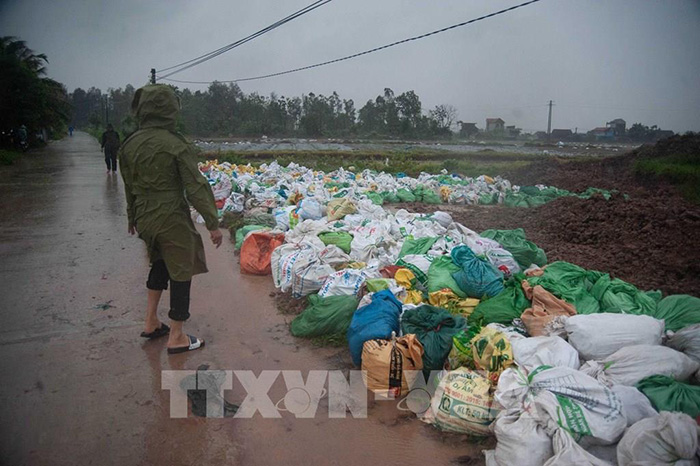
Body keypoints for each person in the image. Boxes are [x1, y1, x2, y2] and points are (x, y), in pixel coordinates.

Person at [118, 84, 222, 354]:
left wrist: (132, 216)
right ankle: (177, 336)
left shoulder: (129, 144)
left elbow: (129, 185)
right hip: (171, 215)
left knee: (160, 262)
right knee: (181, 269)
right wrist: (213, 223)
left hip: (145, 216)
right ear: (169, 110)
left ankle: (151, 321)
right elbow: (196, 186)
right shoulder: (175, 144)